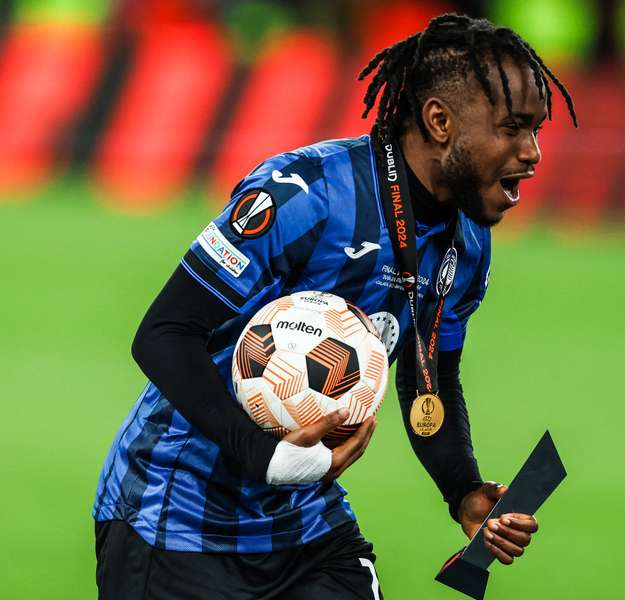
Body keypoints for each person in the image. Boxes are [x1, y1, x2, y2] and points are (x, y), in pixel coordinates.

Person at [93, 13, 577, 599]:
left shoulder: (468, 242)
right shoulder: (304, 194)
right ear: (440, 121)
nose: (532, 152)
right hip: (174, 523)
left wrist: (463, 491)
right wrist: (262, 455)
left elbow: (431, 381)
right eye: (513, 128)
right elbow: (164, 334)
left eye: (536, 131)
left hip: (306, 524)